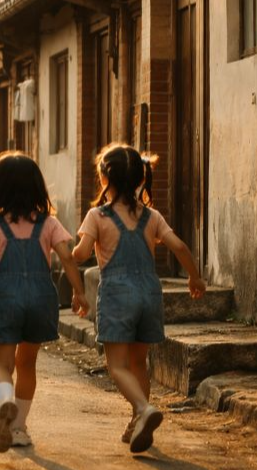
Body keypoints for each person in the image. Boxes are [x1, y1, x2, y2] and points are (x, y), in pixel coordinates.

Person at [71, 143, 205, 454]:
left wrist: (64, 249)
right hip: (149, 293)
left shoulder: (97, 215)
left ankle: (143, 409)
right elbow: (180, 247)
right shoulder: (152, 215)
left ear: (106, 178)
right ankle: (137, 422)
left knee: (116, 365)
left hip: (118, 294)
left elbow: (79, 255)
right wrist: (194, 277)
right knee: (139, 363)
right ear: (138, 178)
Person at [0, 151, 88, 453]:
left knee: (2, 365)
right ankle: (18, 427)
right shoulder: (48, 223)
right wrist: (79, 293)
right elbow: (67, 258)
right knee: (28, 364)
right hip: (40, 296)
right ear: (37, 186)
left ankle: (5, 401)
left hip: (4, 296)